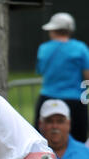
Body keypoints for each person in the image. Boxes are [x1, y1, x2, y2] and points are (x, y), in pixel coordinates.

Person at [34, 12, 89, 143]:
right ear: (69, 30)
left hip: (47, 97)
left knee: (42, 139)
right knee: (78, 139)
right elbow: (87, 76)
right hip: (75, 100)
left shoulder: (43, 48)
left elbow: (40, 70)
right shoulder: (80, 48)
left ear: (53, 30)